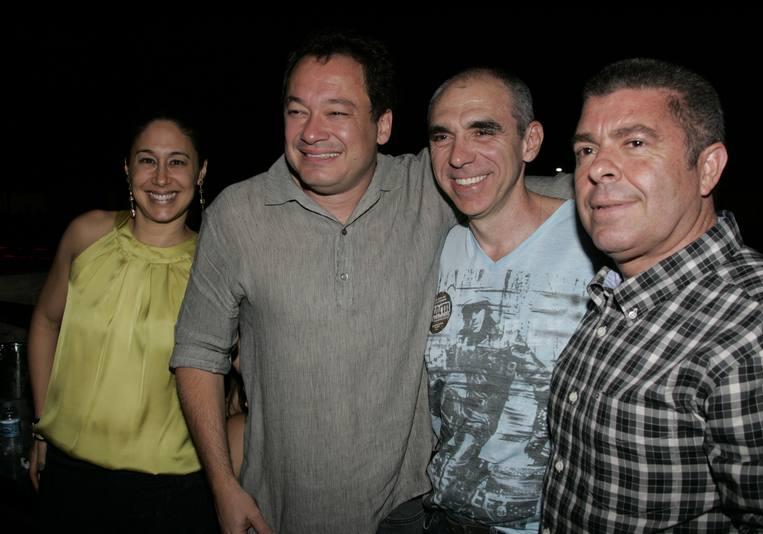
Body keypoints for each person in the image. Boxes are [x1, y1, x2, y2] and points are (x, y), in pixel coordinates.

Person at [169, 33, 572, 534]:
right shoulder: (237, 214)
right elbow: (198, 352)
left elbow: (521, 184)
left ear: (382, 126)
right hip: (277, 511)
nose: (311, 132)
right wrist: (222, 485)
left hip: (409, 513)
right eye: (297, 112)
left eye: (336, 112)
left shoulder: (430, 188)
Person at [541, 58, 763, 533]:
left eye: (636, 143)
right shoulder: (613, 293)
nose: (597, 168)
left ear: (707, 168)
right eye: (585, 150)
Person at [422, 68, 603, 533]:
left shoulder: (596, 245)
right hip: (446, 517)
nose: (459, 156)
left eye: (483, 131)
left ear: (530, 141)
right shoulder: (441, 249)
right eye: (442, 136)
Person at [26, 115, 217, 533]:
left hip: (174, 492)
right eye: (147, 160)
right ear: (127, 169)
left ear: (201, 172)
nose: (161, 177)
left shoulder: (216, 267)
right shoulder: (86, 235)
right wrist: (41, 428)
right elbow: (45, 321)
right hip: (69, 477)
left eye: (178, 161)